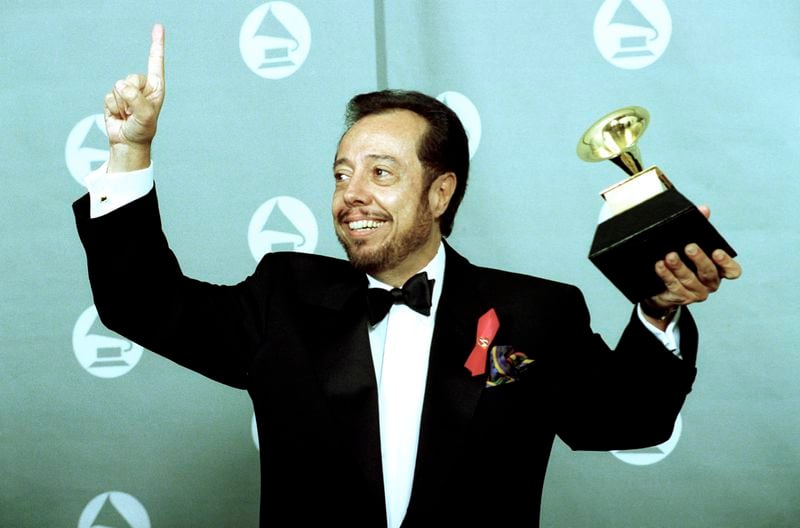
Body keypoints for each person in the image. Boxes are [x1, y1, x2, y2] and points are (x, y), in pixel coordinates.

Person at [73, 25, 741, 528]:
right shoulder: (283, 296)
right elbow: (141, 301)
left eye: (382, 172)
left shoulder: (537, 313)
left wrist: (658, 312)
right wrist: (130, 150)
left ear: (440, 192)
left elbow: (623, 421)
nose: (352, 193)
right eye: (342, 172)